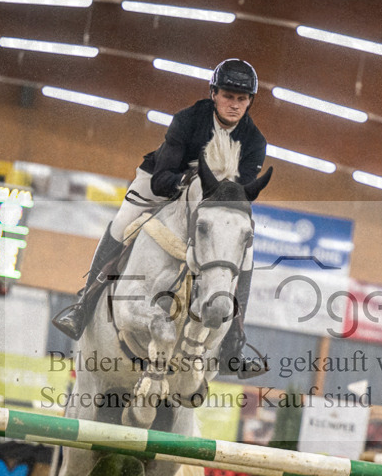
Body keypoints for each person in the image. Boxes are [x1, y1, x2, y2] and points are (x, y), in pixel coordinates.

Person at [52, 58, 268, 378]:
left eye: (242, 98)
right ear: (213, 93)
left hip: (211, 203)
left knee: (245, 255)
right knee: (124, 221)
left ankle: (233, 342)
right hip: (164, 183)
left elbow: (237, 193)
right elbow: (161, 178)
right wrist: (187, 185)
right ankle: (83, 306)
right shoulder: (187, 120)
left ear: (250, 100)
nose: (234, 105)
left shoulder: (255, 141)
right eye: (228, 96)